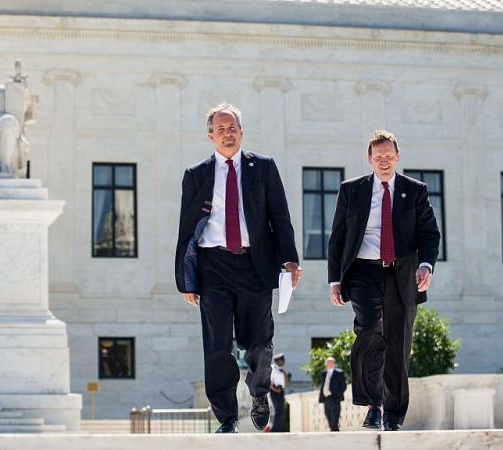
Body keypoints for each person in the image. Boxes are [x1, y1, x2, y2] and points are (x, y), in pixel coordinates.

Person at [175, 103, 302, 433]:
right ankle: (227, 417)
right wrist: (185, 279)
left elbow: (280, 218)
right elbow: (186, 229)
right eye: (221, 130)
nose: (227, 134)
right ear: (210, 136)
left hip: (254, 263)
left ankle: (260, 392)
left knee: (259, 340)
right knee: (217, 344)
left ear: (241, 132)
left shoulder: (263, 168)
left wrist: (290, 260)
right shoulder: (196, 175)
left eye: (232, 128)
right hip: (212, 265)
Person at [327, 130, 440, 431]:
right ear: (369, 159)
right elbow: (337, 239)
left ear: (397, 156)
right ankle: (373, 405)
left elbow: (430, 234)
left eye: (389, 156)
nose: (384, 161)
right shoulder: (352, 190)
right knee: (369, 331)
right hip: (363, 271)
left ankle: (393, 413)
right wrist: (334, 281)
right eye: (379, 157)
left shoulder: (415, 191)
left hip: (402, 274)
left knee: (397, 342)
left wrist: (426, 265)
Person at [318, 356, 346, 431]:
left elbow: (343, 386)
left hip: (335, 397)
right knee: (327, 414)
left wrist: (338, 394)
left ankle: (335, 431)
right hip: (326, 397)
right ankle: (333, 429)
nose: (329, 364)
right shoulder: (323, 373)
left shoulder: (339, 373)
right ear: (325, 364)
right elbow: (323, 385)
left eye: (331, 362)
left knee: (335, 415)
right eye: (328, 362)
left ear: (334, 364)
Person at [268, 353, 288, 432]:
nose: (283, 361)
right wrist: (275, 389)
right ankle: (274, 430)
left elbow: (285, 382)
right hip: (275, 391)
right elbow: (268, 382)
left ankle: (280, 429)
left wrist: (284, 373)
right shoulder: (272, 369)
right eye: (282, 360)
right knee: (278, 410)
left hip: (281, 391)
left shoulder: (281, 370)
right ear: (278, 360)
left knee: (282, 411)